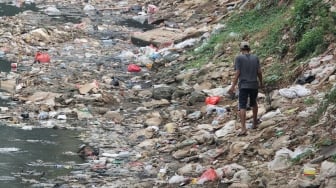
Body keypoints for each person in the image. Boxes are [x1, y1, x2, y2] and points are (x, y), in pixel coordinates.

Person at [229, 41, 263, 136]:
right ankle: (255, 123)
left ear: (241, 50)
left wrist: (232, 86)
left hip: (243, 85)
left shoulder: (238, 58)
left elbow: (238, 73)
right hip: (254, 84)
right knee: (254, 103)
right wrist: (261, 83)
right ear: (249, 49)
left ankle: (243, 129)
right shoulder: (255, 58)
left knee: (242, 106)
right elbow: (259, 72)